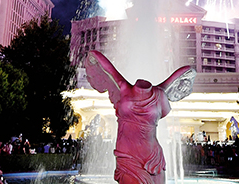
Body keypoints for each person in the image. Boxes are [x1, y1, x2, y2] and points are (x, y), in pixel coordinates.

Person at [84, 50, 196, 184]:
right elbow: (106, 66)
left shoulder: (159, 95)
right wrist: (93, 56)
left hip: (153, 157)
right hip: (127, 156)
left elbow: (187, 71)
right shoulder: (124, 89)